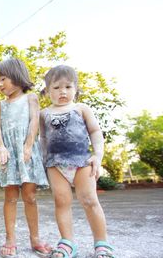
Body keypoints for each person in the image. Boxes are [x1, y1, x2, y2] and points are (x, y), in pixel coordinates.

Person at [39, 65, 115, 258]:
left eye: (67, 86)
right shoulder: (44, 113)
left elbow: (95, 132)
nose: (62, 91)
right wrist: (41, 162)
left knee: (90, 201)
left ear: (76, 89)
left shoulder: (81, 109)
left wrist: (97, 156)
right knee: (61, 201)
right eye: (56, 88)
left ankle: (102, 244)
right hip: (55, 164)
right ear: (47, 91)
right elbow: (43, 139)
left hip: (82, 162)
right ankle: (67, 242)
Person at [0, 58, 52, 258]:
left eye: (2, 79)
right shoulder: (0, 104)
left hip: (27, 151)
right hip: (9, 154)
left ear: (16, 76)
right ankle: (10, 239)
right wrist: (0, 146)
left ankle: (35, 238)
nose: (0, 85)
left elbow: (34, 121)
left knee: (30, 197)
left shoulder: (31, 98)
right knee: (10, 198)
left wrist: (28, 146)